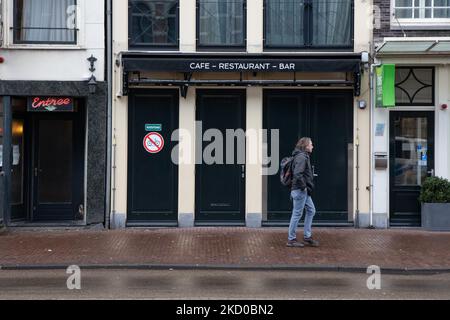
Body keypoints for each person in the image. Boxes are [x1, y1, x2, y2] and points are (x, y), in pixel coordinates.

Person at [286, 137, 320, 248]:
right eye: (311, 144)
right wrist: (304, 187)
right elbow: (297, 174)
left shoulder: (303, 156)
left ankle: (307, 236)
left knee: (311, 210)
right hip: (300, 191)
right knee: (297, 214)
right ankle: (291, 240)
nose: (312, 146)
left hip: (303, 191)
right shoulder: (301, 157)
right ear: (306, 146)